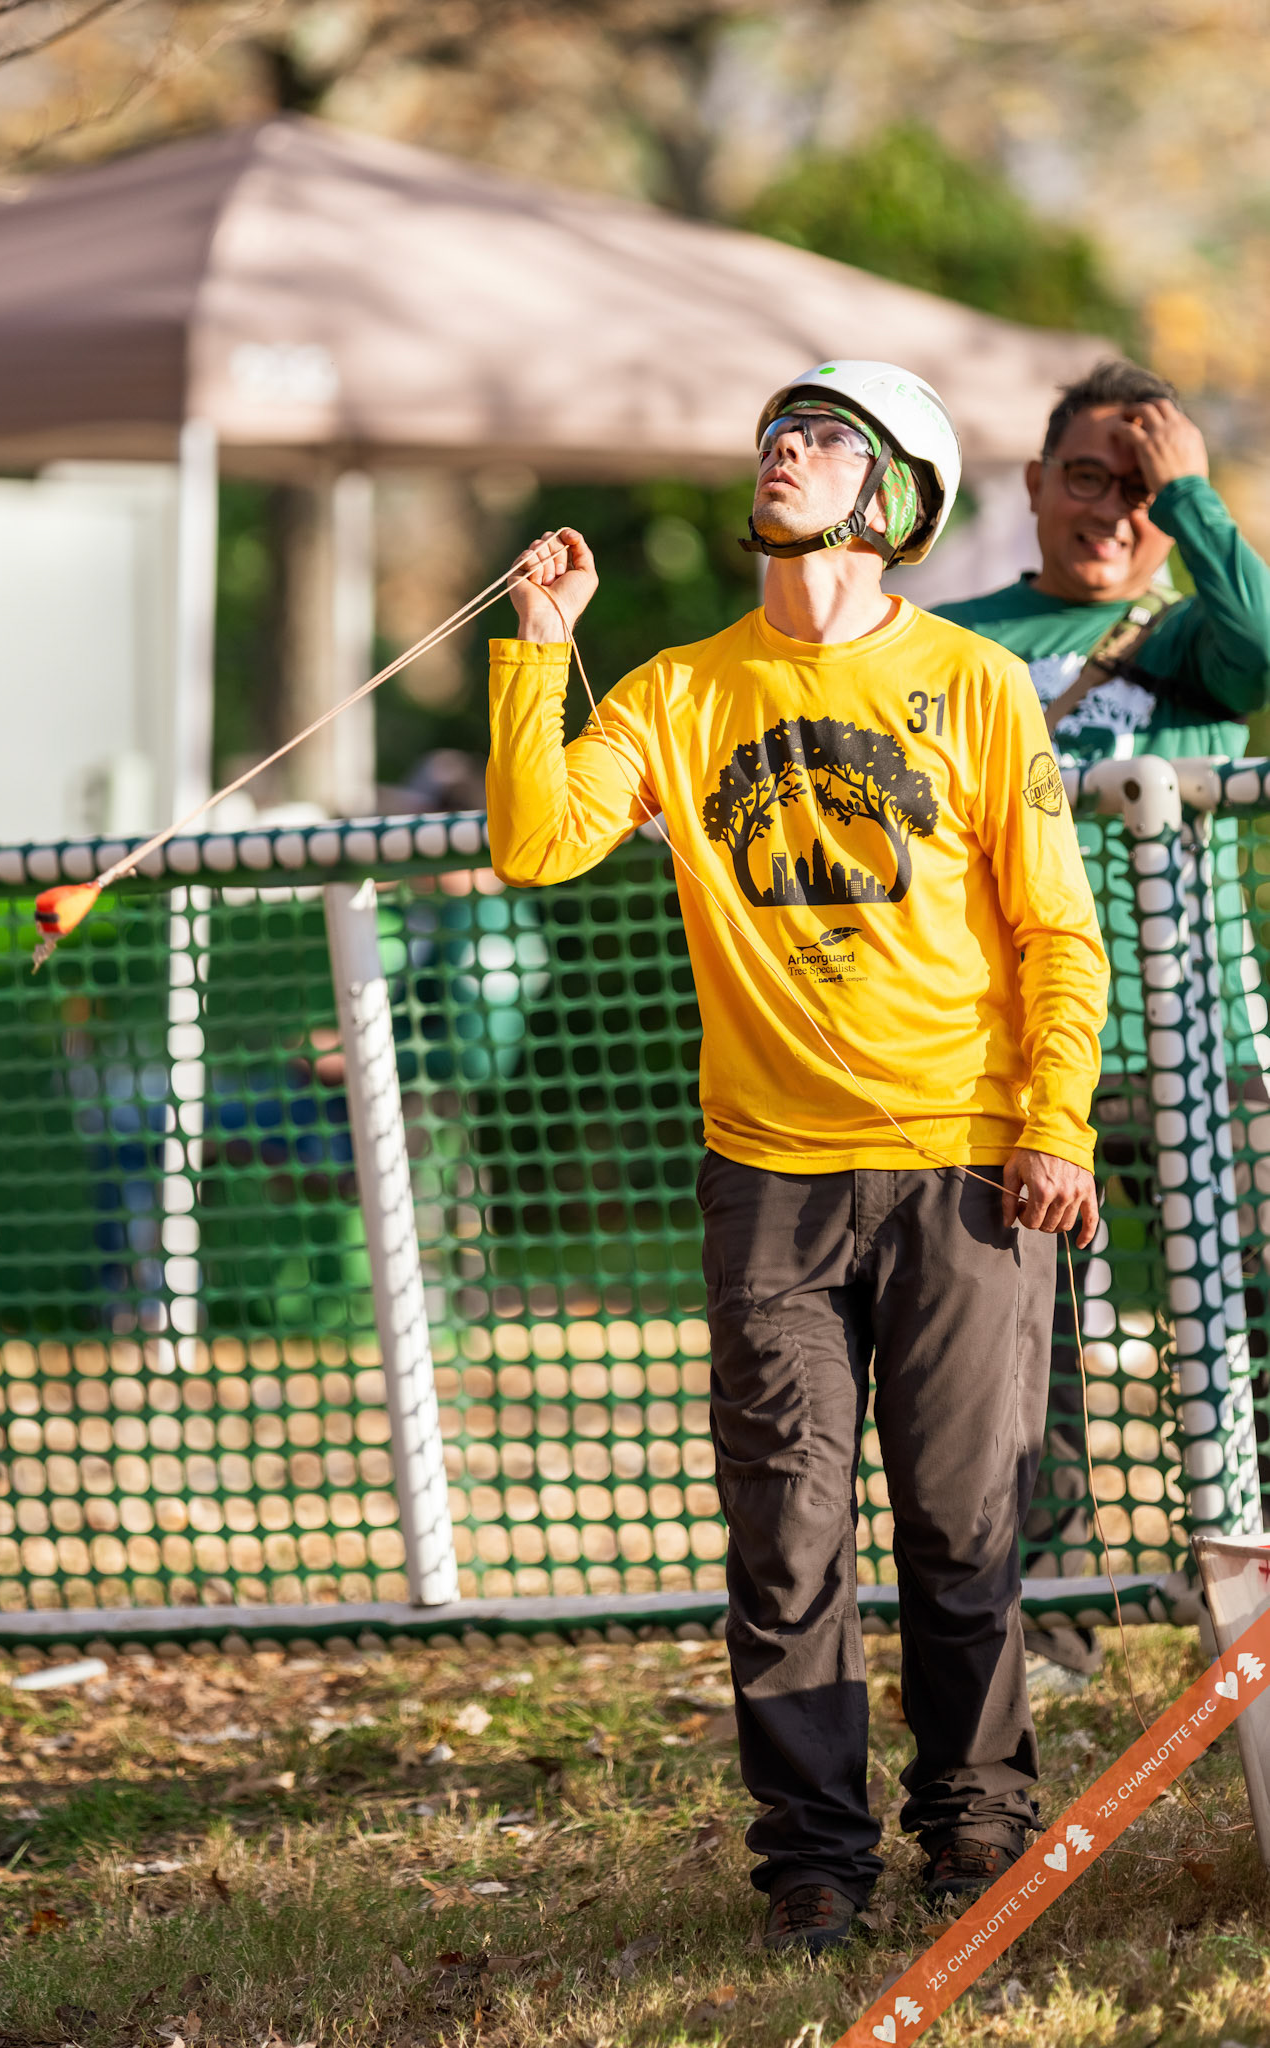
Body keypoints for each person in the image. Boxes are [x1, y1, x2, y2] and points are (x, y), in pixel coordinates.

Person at [484, 360, 1109, 1954]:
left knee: (968, 1527)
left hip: (966, 1165)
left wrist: (1052, 1127)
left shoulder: (973, 683)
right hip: (767, 1176)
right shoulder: (681, 689)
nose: (783, 454)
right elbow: (536, 840)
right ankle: (814, 1862)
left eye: (823, 439)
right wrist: (539, 657)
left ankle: (977, 1831)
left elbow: (1057, 932)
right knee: (787, 1539)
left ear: (892, 497)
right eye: (777, 433)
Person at [936, 359, 1270, 1688]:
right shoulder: (960, 642)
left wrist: (1193, 490)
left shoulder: (1187, 638)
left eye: (1141, 490)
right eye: (1091, 478)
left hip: (1206, 1050)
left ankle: (1247, 1588)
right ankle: (1054, 1627)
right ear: (1033, 486)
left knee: (1246, 1324)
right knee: (1036, 1363)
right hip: (1026, 1070)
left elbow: (1266, 643)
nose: (1115, 512)